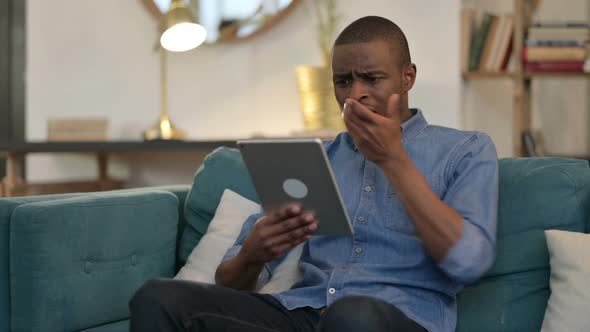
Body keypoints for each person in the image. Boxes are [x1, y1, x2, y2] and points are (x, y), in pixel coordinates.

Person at [129, 15, 498, 332]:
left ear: (407, 77)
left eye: (372, 79)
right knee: (159, 297)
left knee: (353, 315)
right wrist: (252, 256)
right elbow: (230, 282)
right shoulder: (318, 159)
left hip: (396, 319)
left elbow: (470, 261)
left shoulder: (464, 150)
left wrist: (394, 160)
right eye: (343, 82)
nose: (355, 95)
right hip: (302, 315)